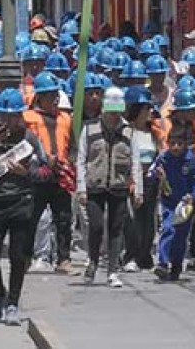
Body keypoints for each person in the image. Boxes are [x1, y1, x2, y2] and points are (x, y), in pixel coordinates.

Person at [0, 88, 47, 326]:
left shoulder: (30, 138)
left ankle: (13, 302)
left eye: (13, 116)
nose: (8, 121)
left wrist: (27, 173)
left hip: (22, 201)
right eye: (3, 115)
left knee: (17, 256)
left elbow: (45, 171)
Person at [75, 87, 143, 288]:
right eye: (110, 111)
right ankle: (93, 262)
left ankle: (113, 270)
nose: (114, 116)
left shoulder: (129, 132)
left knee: (116, 229)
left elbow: (136, 162)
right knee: (95, 226)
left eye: (117, 111)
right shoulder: (89, 129)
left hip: (118, 185)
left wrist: (138, 189)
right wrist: (81, 188)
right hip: (94, 185)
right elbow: (81, 159)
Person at [22, 72, 77, 275]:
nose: (53, 98)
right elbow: (23, 146)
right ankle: (25, 258)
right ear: (40, 96)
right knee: (31, 218)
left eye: (55, 94)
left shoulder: (65, 118)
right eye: (49, 95)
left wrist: (69, 163)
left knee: (63, 218)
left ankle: (63, 259)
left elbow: (72, 146)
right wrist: (42, 160)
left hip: (60, 175)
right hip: (37, 175)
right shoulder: (28, 118)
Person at [122, 86, 162, 272]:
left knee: (149, 221)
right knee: (132, 220)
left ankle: (144, 255)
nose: (149, 112)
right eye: (146, 108)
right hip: (132, 180)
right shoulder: (126, 133)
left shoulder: (153, 133)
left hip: (151, 181)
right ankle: (131, 255)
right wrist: (130, 179)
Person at [151, 125, 195, 281]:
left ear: (185, 143)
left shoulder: (190, 160)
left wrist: (192, 195)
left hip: (185, 204)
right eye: (172, 143)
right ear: (168, 143)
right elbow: (152, 172)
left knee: (180, 235)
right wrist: (157, 174)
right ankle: (162, 263)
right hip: (169, 201)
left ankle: (176, 264)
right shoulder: (164, 158)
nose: (175, 147)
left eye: (179, 144)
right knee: (168, 229)